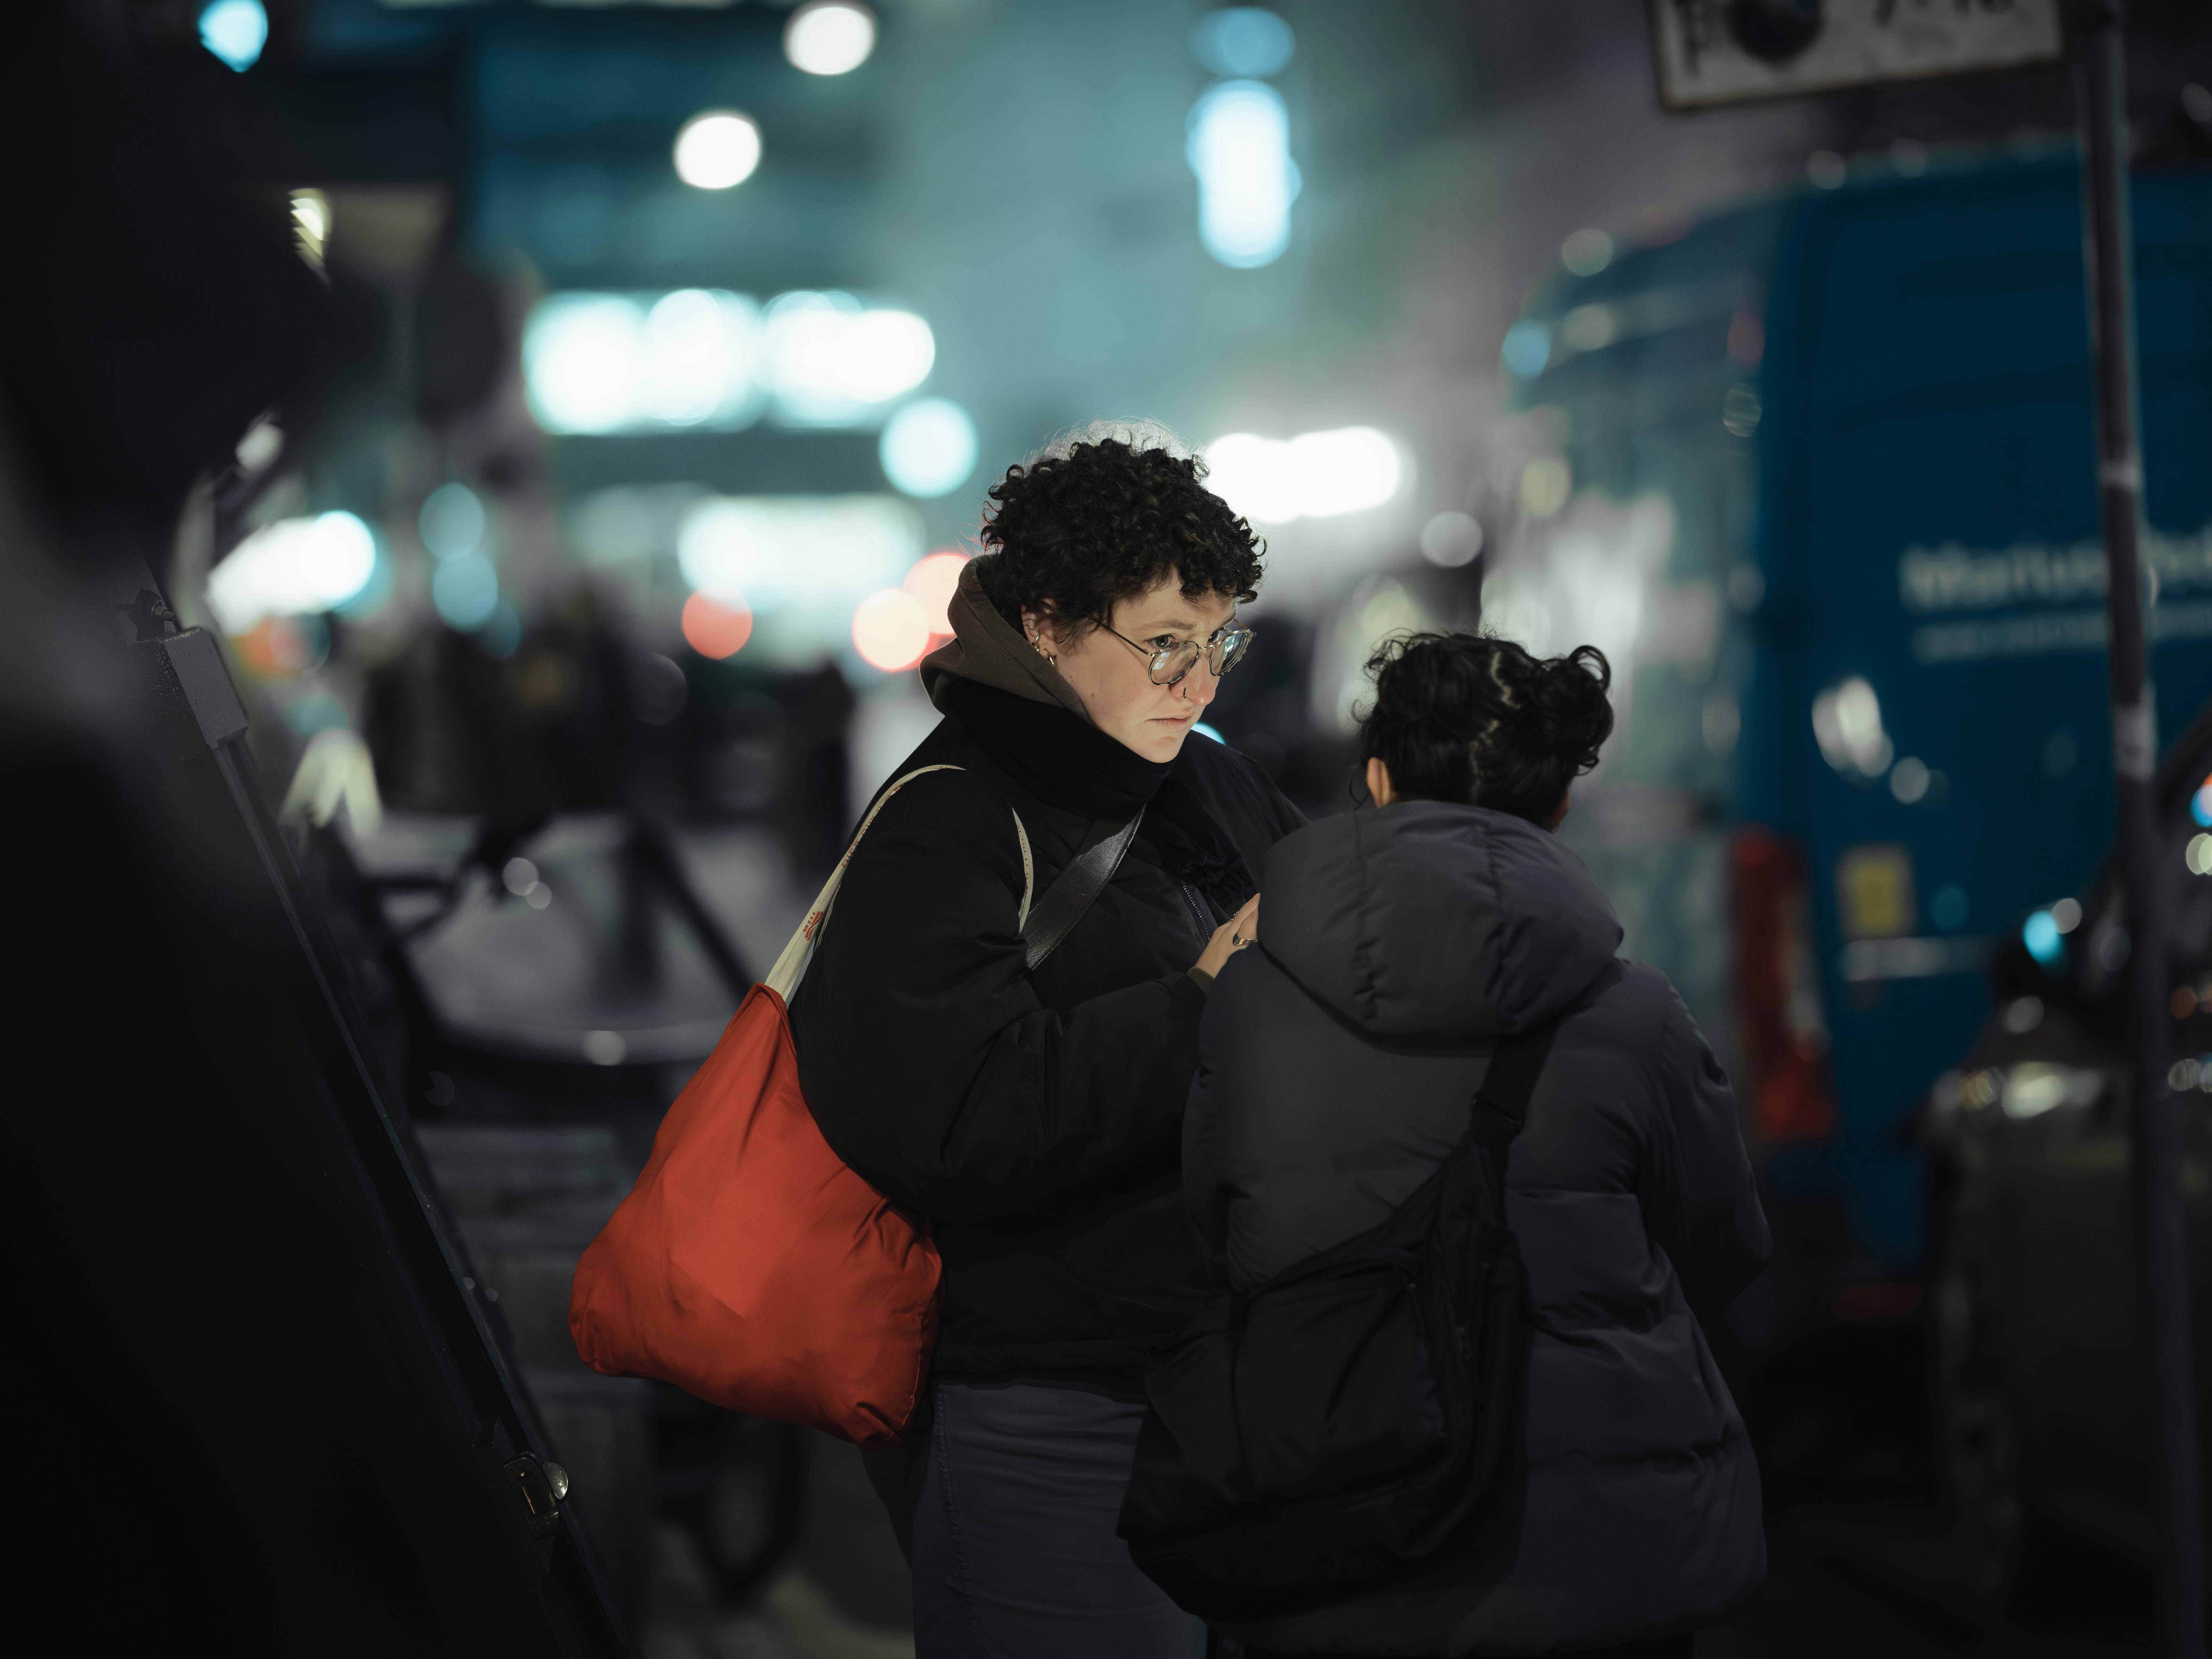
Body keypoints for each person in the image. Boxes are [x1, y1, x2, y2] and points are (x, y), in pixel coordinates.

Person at [788, 423, 1307, 1656]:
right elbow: (949, 1119)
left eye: (1218, 644)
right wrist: (1200, 1001)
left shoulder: (1207, 781)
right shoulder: (950, 819)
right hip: (1049, 1407)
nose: (1196, 681)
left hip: (1227, 1386)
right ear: (1044, 624)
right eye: (1163, 645)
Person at [1184, 633, 1770, 1657]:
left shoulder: (1246, 1006)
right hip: (1614, 1559)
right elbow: (1726, 1245)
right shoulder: (1636, 1015)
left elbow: (1212, 1239)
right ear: (1557, 805)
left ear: (1374, 779)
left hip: (1337, 1539)